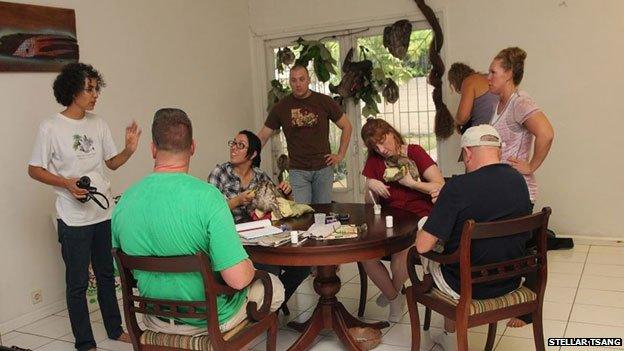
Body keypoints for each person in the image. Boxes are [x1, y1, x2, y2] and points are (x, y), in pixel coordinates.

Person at [112, 108, 284, 334]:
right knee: (276, 287)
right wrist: (250, 266)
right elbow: (238, 280)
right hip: (209, 319)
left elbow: (122, 271)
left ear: (153, 149)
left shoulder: (124, 201)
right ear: (192, 147)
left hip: (155, 318)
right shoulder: (209, 198)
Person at [27, 63, 139, 351]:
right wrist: (66, 184)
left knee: (106, 276)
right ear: (72, 90)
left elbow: (111, 163)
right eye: (89, 89)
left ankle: (115, 329)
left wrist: (128, 149)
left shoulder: (98, 123)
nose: (95, 94)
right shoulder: (50, 127)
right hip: (73, 217)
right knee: (77, 283)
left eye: (96, 88)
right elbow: (34, 169)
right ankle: (85, 342)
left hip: (102, 214)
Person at [414, 125, 532, 350]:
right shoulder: (519, 181)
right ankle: (450, 335)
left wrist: (443, 209)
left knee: (425, 231)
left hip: (466, 287)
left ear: (468, 153)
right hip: (510, 280)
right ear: (497, 151)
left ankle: (450, 337)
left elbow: (422, 246)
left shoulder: (458, 187)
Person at [208, 130, 309, 308]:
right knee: (268, 267)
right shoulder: (220, 173)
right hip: (232, 238)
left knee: (303, 266)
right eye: (233, 143)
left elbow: (278, 209)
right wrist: (238, 201)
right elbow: (210, 212)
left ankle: (270, 306)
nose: (234, 148)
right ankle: (263, 309)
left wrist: (287, 194)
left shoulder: (260, 176)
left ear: (253, 154)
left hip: (261, 235)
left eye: (241, 145)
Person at [360, 118, 444, 322]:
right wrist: (370, 186)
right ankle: (394, 296)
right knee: (364, 255)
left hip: (418, 218)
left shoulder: (414, 152)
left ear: (392, 133)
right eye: (375, 146)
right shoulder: (374, 161)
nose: (381, 149)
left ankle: (392, 295)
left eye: (383, 141)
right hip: (389, 220)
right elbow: (370, 204)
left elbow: (440, 185)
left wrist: (412, 183)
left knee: (400, 258)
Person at [257, 64, 352, 204]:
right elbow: (263, 136)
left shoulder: (324, 101)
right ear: (289, 82)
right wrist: (249, 157)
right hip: (298, 170)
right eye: (294, 80)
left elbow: (347, 126)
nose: (298, 84)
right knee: (303, 213)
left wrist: (340, 155)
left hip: (323, 169)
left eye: (302, 79)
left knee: (322, 212)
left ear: (309, 80)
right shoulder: (281, 107)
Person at [487, 47, 554, 205]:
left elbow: (546, 133)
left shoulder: (519, 102)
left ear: (508, 74)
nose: (488, 78)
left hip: (517, 191)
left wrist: (531, 166)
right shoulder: (497, 104)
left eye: (493, 72)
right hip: (501, 190)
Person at [447, 62, 498, 133]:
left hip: (482, 135)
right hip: (499, 131)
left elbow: (462, 118)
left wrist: (456, 122)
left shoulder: (469, 81)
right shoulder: (486, 77)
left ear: (456, 81)